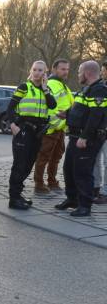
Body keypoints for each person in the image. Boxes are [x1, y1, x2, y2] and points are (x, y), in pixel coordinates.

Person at [54, 60, 107, 217]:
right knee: (69, 169)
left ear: (87, 73)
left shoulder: (99, 90)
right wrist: (67, 114)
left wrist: (84, 137)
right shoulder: (86, 89)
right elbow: (82, 111)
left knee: (82, 172)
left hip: (87, 139)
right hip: (75, 136)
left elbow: (96, 116)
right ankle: (72, 200)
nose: (77, 75)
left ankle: (85, 205)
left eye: (79, 72)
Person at [4, 60, 57, 210]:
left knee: (28, 165)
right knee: (19, 165)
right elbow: (10, 108)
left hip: (38, 133)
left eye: (40, 70)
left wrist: (46, 89)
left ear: (45, 73)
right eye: (35, 70)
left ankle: (18, 195)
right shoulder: (24, 87)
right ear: (31, 71)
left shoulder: (46, 90)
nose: (37, 73)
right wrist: (13, 126)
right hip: (24, 130)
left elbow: (52, 105)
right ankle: (13, 199)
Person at [34, 59, 73, 193]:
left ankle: (52, 181)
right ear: (54, 69)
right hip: (50, 128)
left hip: (60, 129)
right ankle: (39, 184)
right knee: (43, 157)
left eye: (67, 69)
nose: (65, 72)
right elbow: (48, 105)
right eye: (62, 69)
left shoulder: (63, 85)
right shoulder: (51, 84)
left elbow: (70, 104)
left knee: (56, 157)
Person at [92, 61, 107, 205]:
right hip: (99, 131)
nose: (102, 73)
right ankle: (95, 188)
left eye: (103, 70)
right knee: (95, 160)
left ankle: (105, 193)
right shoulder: (101, 87)